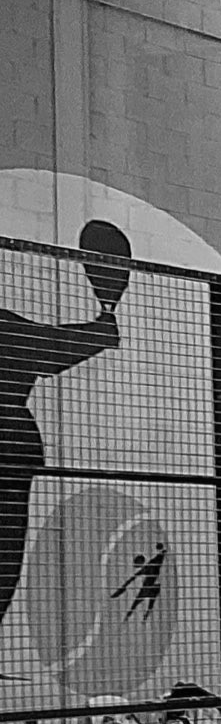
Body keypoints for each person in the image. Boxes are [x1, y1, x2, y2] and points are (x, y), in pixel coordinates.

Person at [1, 220, 132, 641]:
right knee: (5, 554)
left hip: (13, 449)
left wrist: (100, 331)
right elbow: (48, 348)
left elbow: (45, 347)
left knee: (6, 556)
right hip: (12, 447)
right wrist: (101, 330)